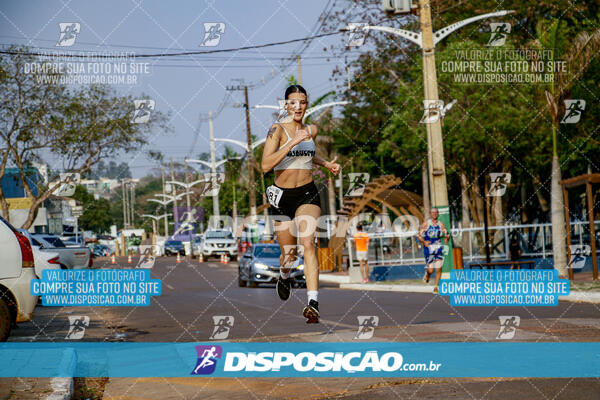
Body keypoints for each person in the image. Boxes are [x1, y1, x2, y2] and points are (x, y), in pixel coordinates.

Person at [261, 85, 341, 324]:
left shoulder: (311, 130)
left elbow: (305, 154)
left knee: (308, 243)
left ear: (307, 104)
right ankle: (284, 275)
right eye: (293, 102)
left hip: (308, 193)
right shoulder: (277, 130)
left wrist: (326, 164)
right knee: (289, 254)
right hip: (282, 196)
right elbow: (266, 165)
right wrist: (292, 141)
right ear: (285, 105)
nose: (298, 106)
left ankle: (313, 303)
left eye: (303, 102)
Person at [417, 208, 449, 294]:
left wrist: (447, 238)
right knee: (431, 270)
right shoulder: (426, 224)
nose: (434, 214)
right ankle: (427, 275)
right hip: (429, 249)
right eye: (432, 212)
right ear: (430, 214)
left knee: (439, 268)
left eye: (436, 212)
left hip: (438, 248)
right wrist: (424, 241)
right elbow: (419, 235)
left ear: (438, 214)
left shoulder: (441, 225)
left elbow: (446, 238)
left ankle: (436, 287)